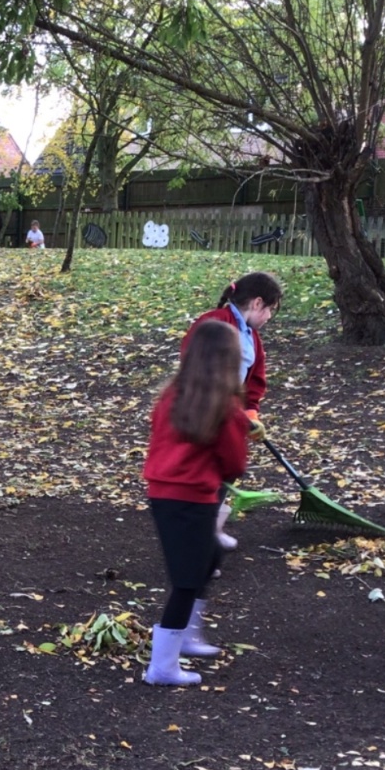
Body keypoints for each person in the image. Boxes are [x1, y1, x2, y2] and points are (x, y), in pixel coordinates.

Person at [142, 319, 249, 686]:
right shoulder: (226, 408)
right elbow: (234, 464)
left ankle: (186, 635)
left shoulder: (171, 395)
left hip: (163, 494)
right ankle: (162, 667)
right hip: (192, 498)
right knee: (186, 581)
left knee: (210, 556)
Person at [182, 270, 282, 548]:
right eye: (270, 309)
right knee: (207, 469)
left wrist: (250, 412)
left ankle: (210, 527)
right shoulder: (214, 323)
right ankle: (197, 533)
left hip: (229, 414)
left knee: (229, 467)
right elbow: (194, 364)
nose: (269, 317)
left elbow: (255, 379)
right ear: (257, 303)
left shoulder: (252, 337)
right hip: (203, 411)